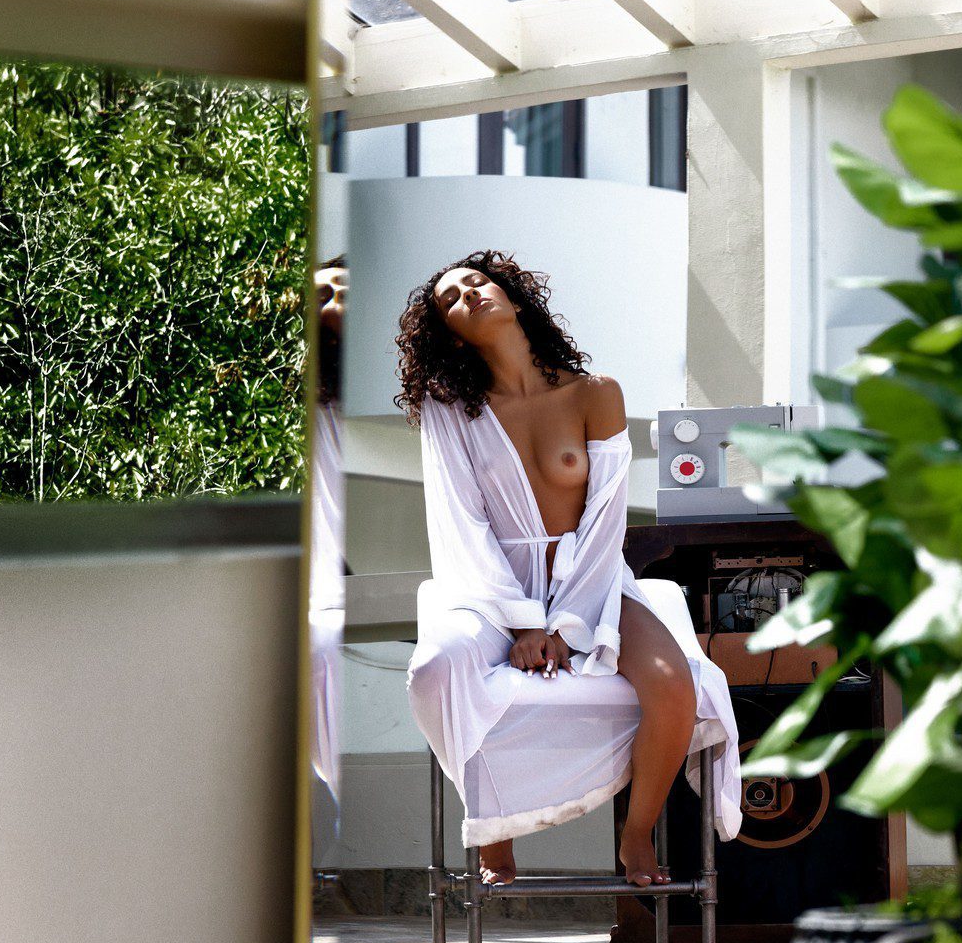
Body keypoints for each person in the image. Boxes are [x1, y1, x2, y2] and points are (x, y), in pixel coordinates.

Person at [395, 249, 740, 888]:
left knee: (673, 685)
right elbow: (462, 525)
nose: (469, 294)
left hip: (592, 580)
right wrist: (524, 621)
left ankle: (636, 837)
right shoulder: (451, 411)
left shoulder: (595, 393)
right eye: (451, 300)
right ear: (452, 335)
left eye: (477, 282)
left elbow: (607, 520)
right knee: (435, 669)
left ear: (512, 297)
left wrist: (567, 622)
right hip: (492, 590)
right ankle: (493, 827)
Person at [308, 256, 349, 801]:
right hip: (331, 595)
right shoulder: (312, 414)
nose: (335, 302)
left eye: (342, 289)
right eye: (320, 297)